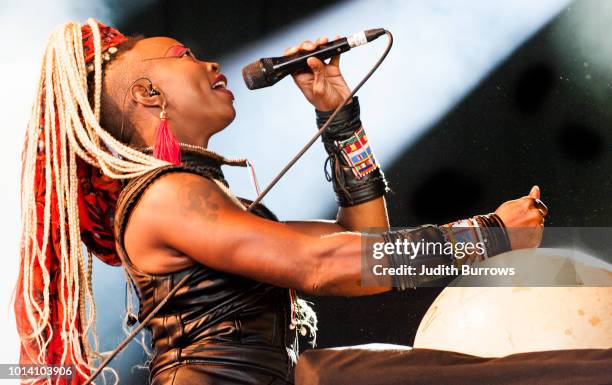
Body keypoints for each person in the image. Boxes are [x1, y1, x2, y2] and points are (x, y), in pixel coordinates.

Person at [14, 19, 547, 385]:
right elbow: (320, 264)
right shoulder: (163, 198)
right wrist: (488, 235)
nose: (210, 62)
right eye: (186, 55)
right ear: (148, 94)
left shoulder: (200, 199)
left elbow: (363, 245)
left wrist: (340, 121)